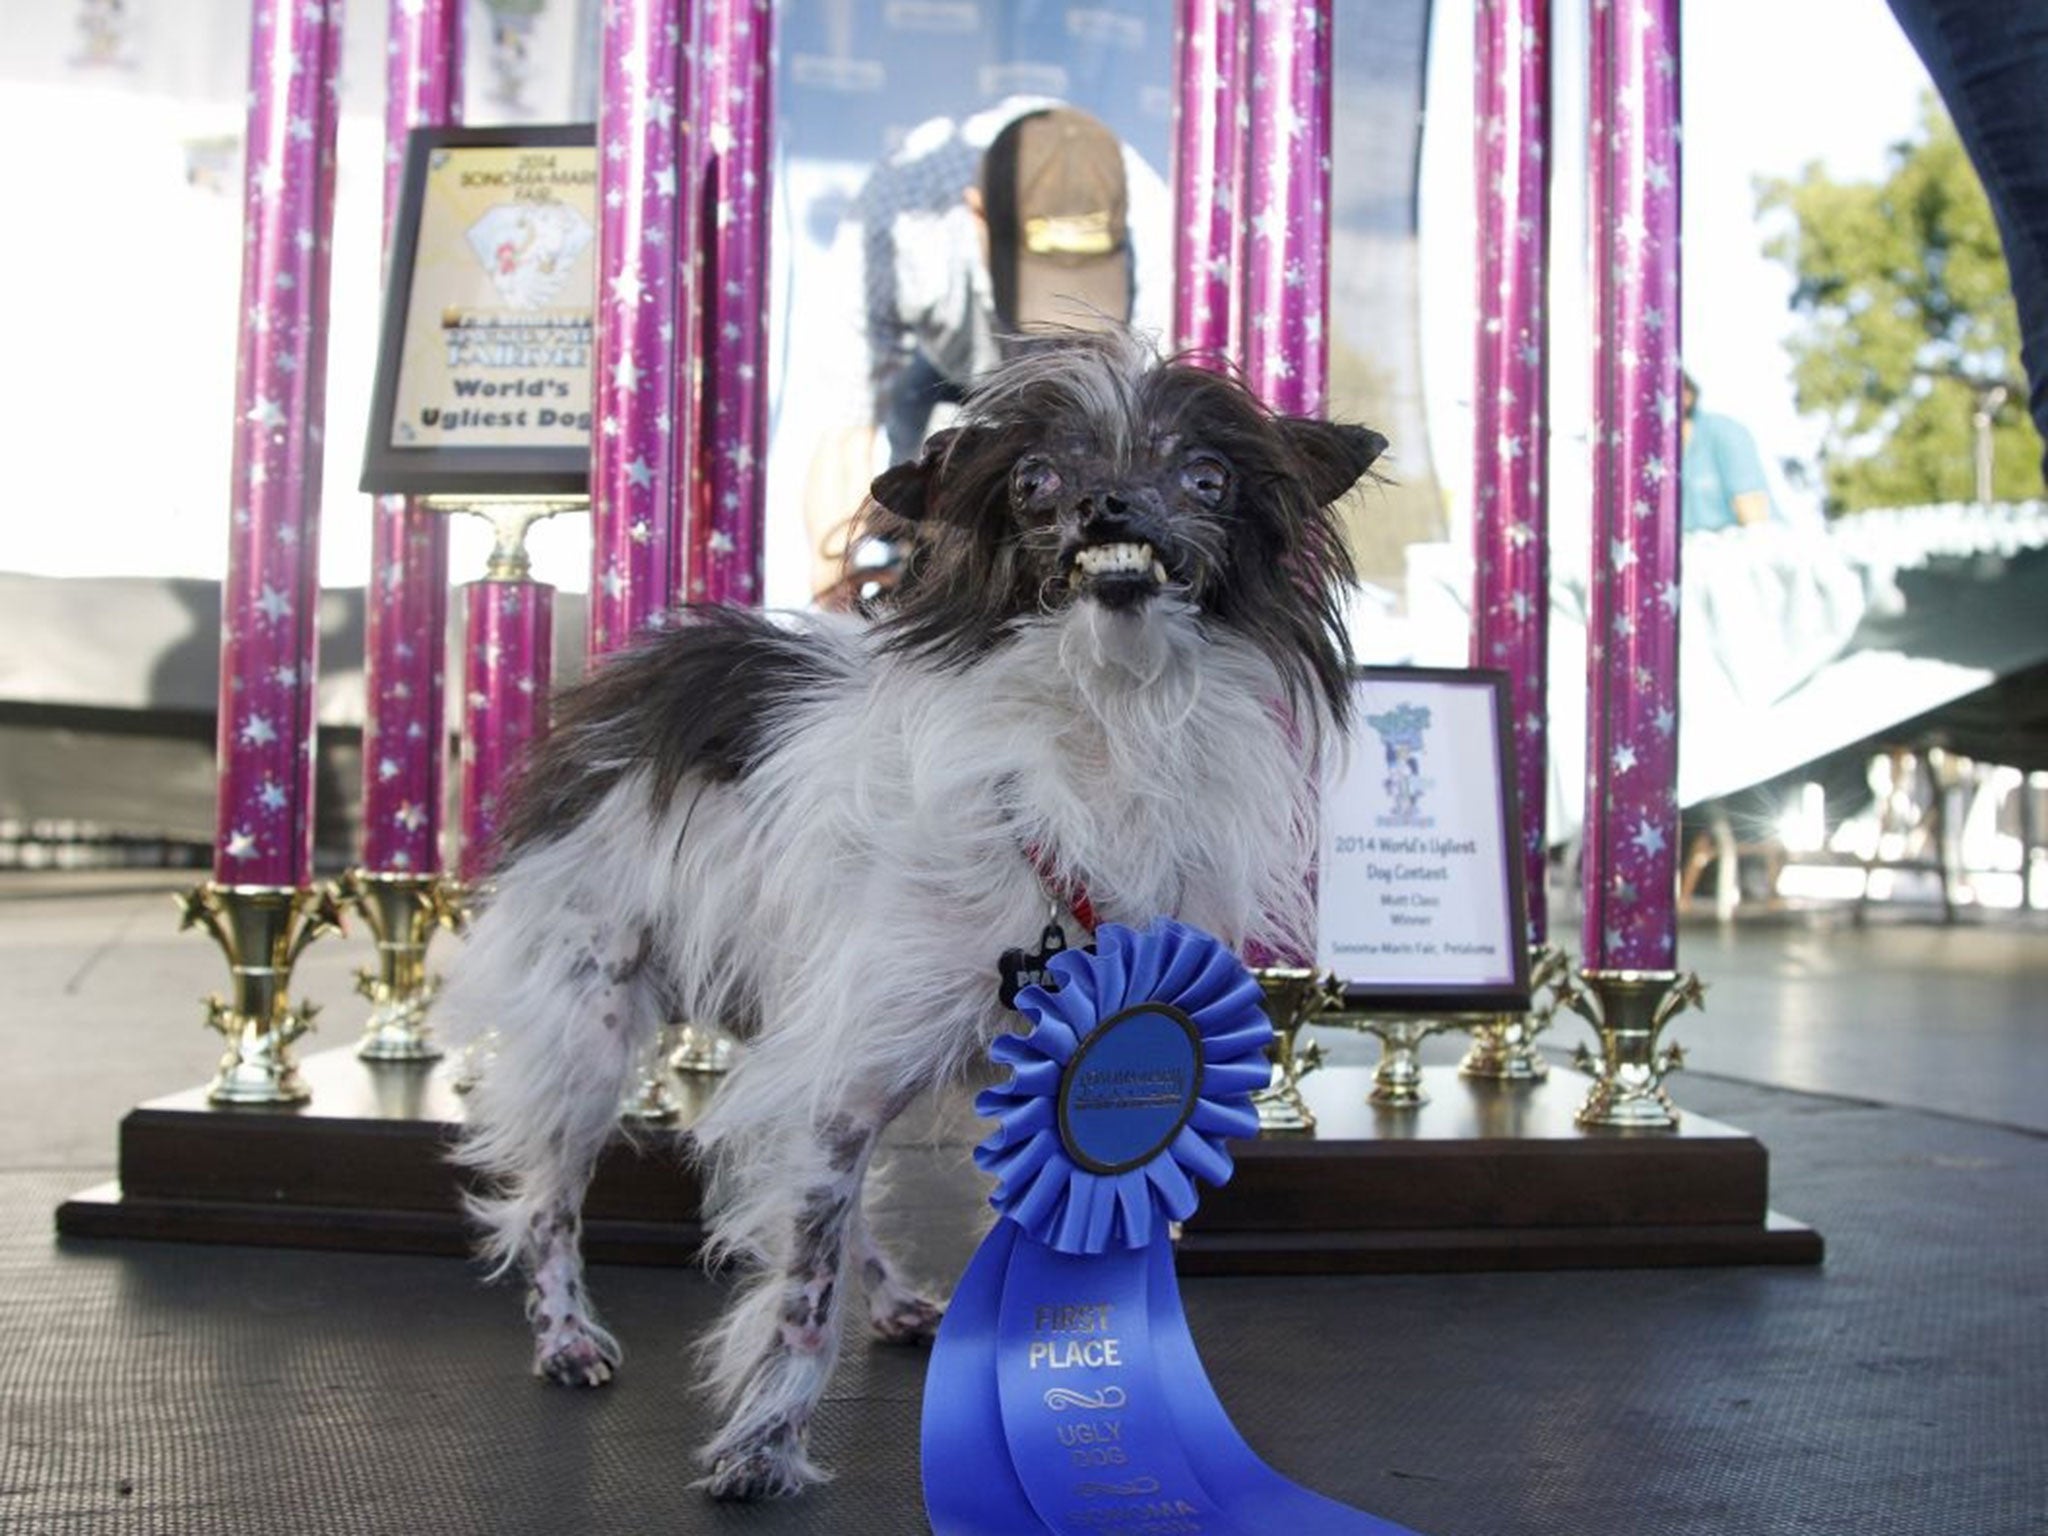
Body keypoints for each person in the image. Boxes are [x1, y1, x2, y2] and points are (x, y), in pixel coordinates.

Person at [803, 101, 1170, 604]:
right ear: (976, 215)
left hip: (1089, 385)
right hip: (942, 362)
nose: (1056, 317)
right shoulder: (903, 220)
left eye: (1079, 278)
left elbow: (1164, 440)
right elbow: (846, 435)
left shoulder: (1154, 231)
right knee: (914, 484)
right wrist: (836, 610)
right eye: (1043, 279)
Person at [1680, 371, 1779, 532]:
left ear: (1687, 394)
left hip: (1742, 546)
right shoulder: (1654, 453)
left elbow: (1753, 511)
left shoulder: (1724, 431)